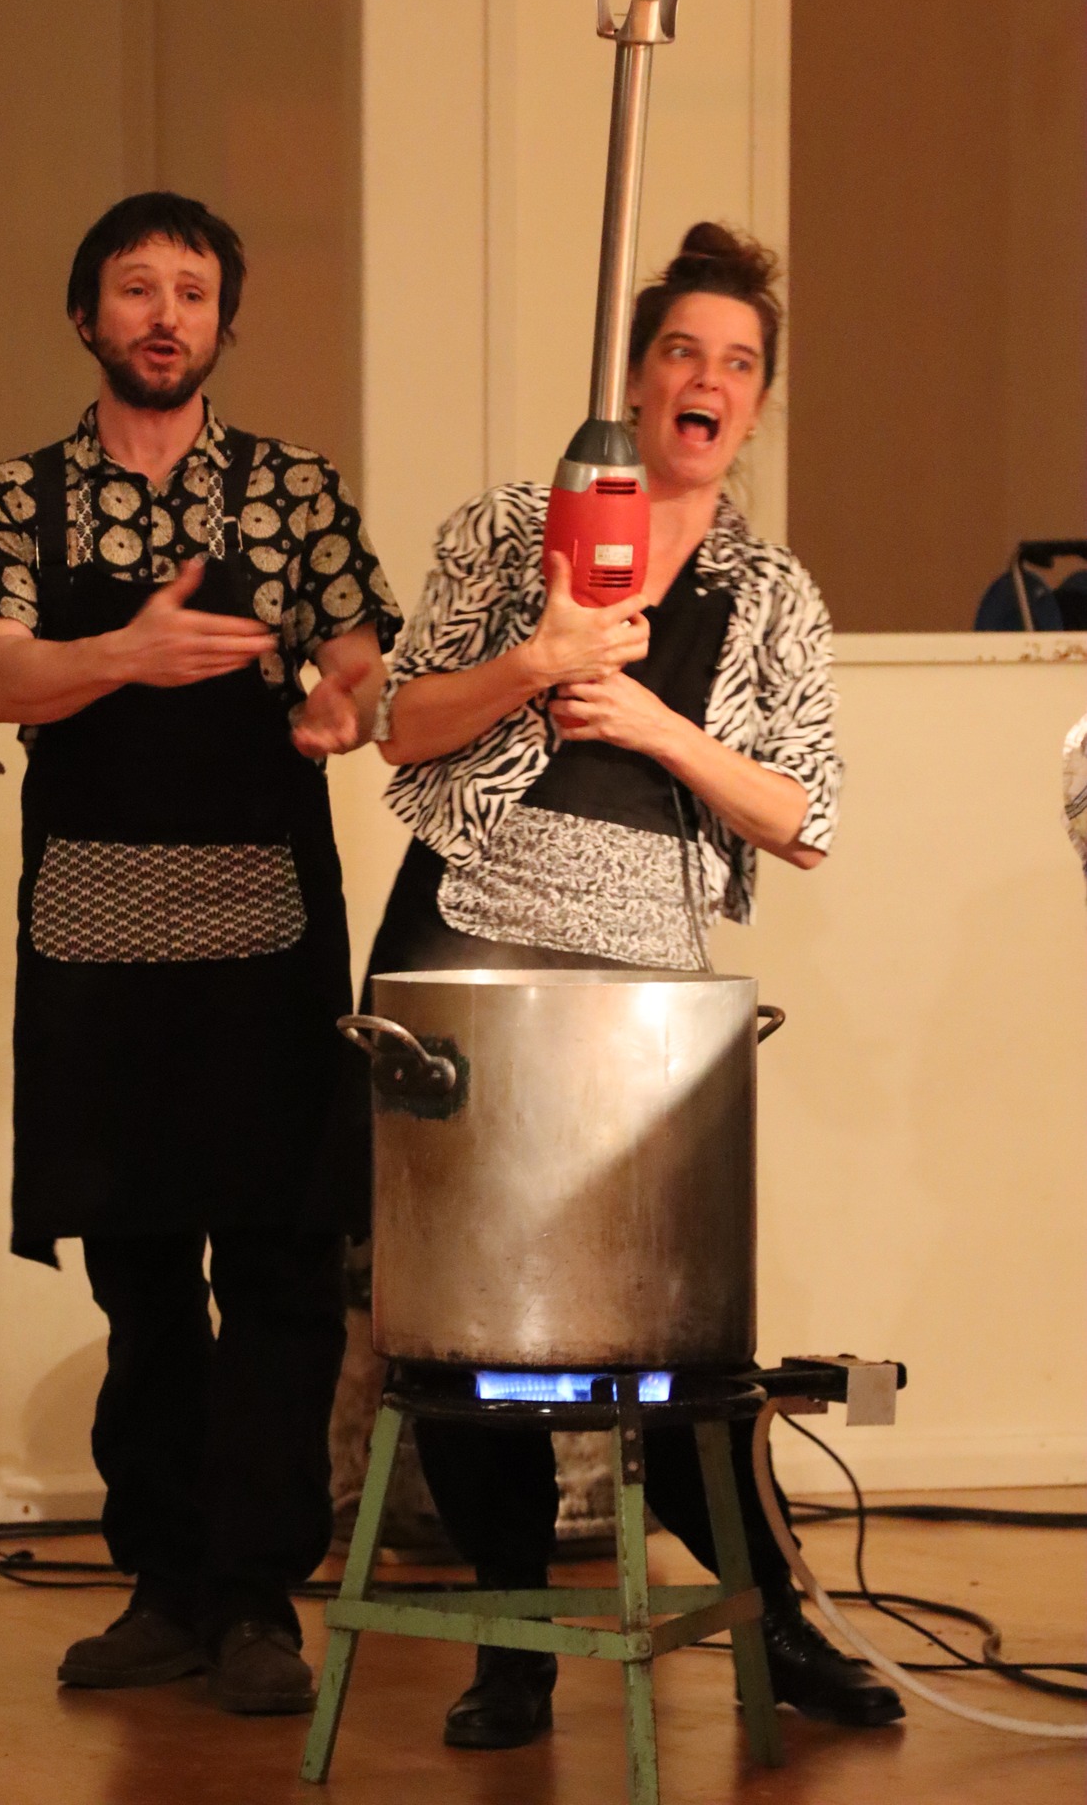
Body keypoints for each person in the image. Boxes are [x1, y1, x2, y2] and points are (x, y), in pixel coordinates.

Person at [364, 223, 903, 1745]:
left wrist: (659, 727)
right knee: (467, 1327)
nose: (707, 381)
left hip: (643, 985)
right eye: (682, 352)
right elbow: (403, 724)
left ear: (755, 403)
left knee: (676, 1331)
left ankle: (778, 1626)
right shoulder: (505, 530)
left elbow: (804, 814)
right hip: (468, 937)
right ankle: (509, 1644)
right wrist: (535, 663)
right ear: (634, 377)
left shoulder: (772, 591)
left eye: (738, 364)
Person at [0, 192, 400, 1715]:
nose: (164, 315)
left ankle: (257, 1597)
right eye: (136, 289)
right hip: (93, 932)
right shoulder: (15, 497)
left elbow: (357, 653)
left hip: (263, 930)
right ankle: (162, 1587)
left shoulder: (293, 489)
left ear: (222, 325)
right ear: (86, 317)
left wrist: (339, 702)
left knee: (274, 1272)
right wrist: (127, 653)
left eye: (192, 292)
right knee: (137, 1276)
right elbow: (1, 679)